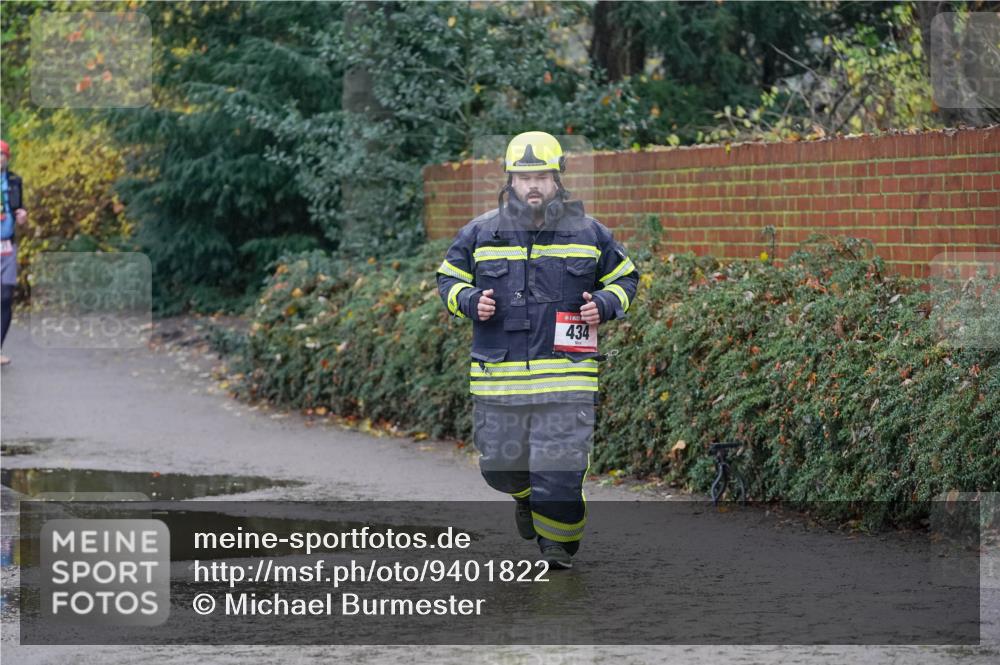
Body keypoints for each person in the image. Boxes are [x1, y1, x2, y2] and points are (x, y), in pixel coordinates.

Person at [436, 131, 639, 569]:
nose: (533, 185)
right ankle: (526, 497)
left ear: (557, 179)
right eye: (524, 176)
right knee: (500, 470)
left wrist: (603, 305)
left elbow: (626, 278)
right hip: (499, 380)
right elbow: (447, 279)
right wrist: (469, 300)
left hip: (567, 379)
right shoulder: (480, 232)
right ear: (509, 179)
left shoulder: (589, 232)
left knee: (561, 474)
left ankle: (557, 552)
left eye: (542, 176)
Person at [1, 139, 28, 366]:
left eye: (1, 155)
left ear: (7, 158)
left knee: (6, 297)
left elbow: (21, 209)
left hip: (7, 245)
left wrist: (23, 217)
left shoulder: (15, 181)